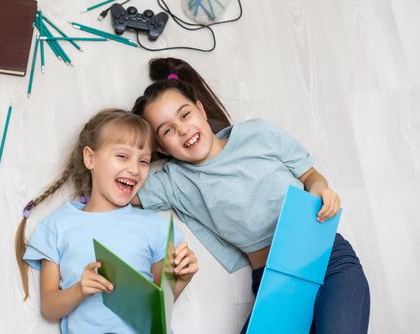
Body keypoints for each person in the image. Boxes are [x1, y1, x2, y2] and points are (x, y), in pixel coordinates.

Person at [131, 58, 370, 333]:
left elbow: (311, 177)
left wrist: (322, 192)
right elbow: (121, 188)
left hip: (325, 257)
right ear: (160, 148)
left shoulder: (257, 133)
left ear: (200, 109)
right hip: (273, 283)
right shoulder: (175, 181)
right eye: (167, 131)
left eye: (185, 115)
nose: (183, 129)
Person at [15, 108, 199, 334]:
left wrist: (183, 279)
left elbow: (157, 309)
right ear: (90, 158)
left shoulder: (156, 227)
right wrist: (80, 290)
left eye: (144, 161)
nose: (134, 169)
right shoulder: (56, 226)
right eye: (122, 156)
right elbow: (50, 308)